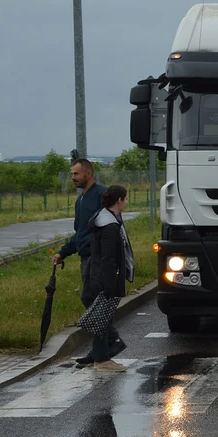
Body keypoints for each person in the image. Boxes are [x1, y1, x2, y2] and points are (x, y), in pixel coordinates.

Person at [53, 159, 124, 365]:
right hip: (86, 257)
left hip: (98, 258)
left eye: (76, 174)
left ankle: (108, 344)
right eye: (72, 174)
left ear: (88, 174)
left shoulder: (101, 196)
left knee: (93, 300)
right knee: (91, 301)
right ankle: (105, 345)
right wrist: (63, 253)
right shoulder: (81, 200)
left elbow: (110, 225)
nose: (73, 178)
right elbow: (80, 233)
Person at [86, 185, 134, 373]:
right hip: (105, 279)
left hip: (99, 276)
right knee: (103, 320)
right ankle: (102, 360)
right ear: (119, 200)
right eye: (126, 198)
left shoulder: (103, 219)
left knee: (103, 319)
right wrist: (109, 284)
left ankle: (102, 357)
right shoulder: (110, 226)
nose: (127, 202)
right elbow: (108, 258)